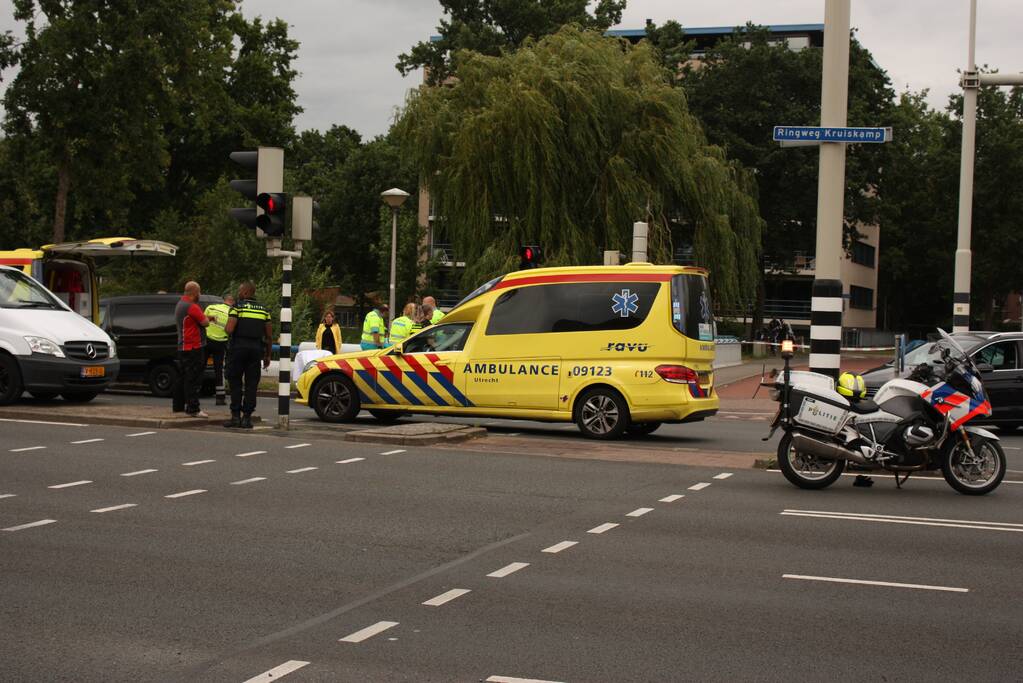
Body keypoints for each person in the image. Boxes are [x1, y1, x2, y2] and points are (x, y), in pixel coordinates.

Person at [223, 282, 271, 429]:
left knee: (235, 382)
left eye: (239, 291)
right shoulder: (264, 310)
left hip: (238, 349)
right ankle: (247, 418)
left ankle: (235, 416)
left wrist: (225, 327)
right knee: (251, 384)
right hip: (256, 350)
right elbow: (269, 336)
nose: (238, 293)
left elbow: (229, 329)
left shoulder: (237, 307)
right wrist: (267, 356)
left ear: (244, 293)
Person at [174, 281, 212, 417]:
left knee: (183, 377)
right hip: (194, 347)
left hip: (182, 346)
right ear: (194, 292)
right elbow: (205, 322)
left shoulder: (180, 304)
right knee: (194, 378)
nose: (200, 295)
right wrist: (208, 319)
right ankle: (193, 408)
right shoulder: (192, 306)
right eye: (199, 292)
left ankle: (178, 405)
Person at [204, 294, 234, 406]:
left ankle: (193, 394)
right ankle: (220, 398)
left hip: (206, 341)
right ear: (232, 302)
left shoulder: (210, 308)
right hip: (220, 343)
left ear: (223, 300)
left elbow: (202, 321)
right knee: (219, 370)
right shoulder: (232, 313)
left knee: (200, 367)